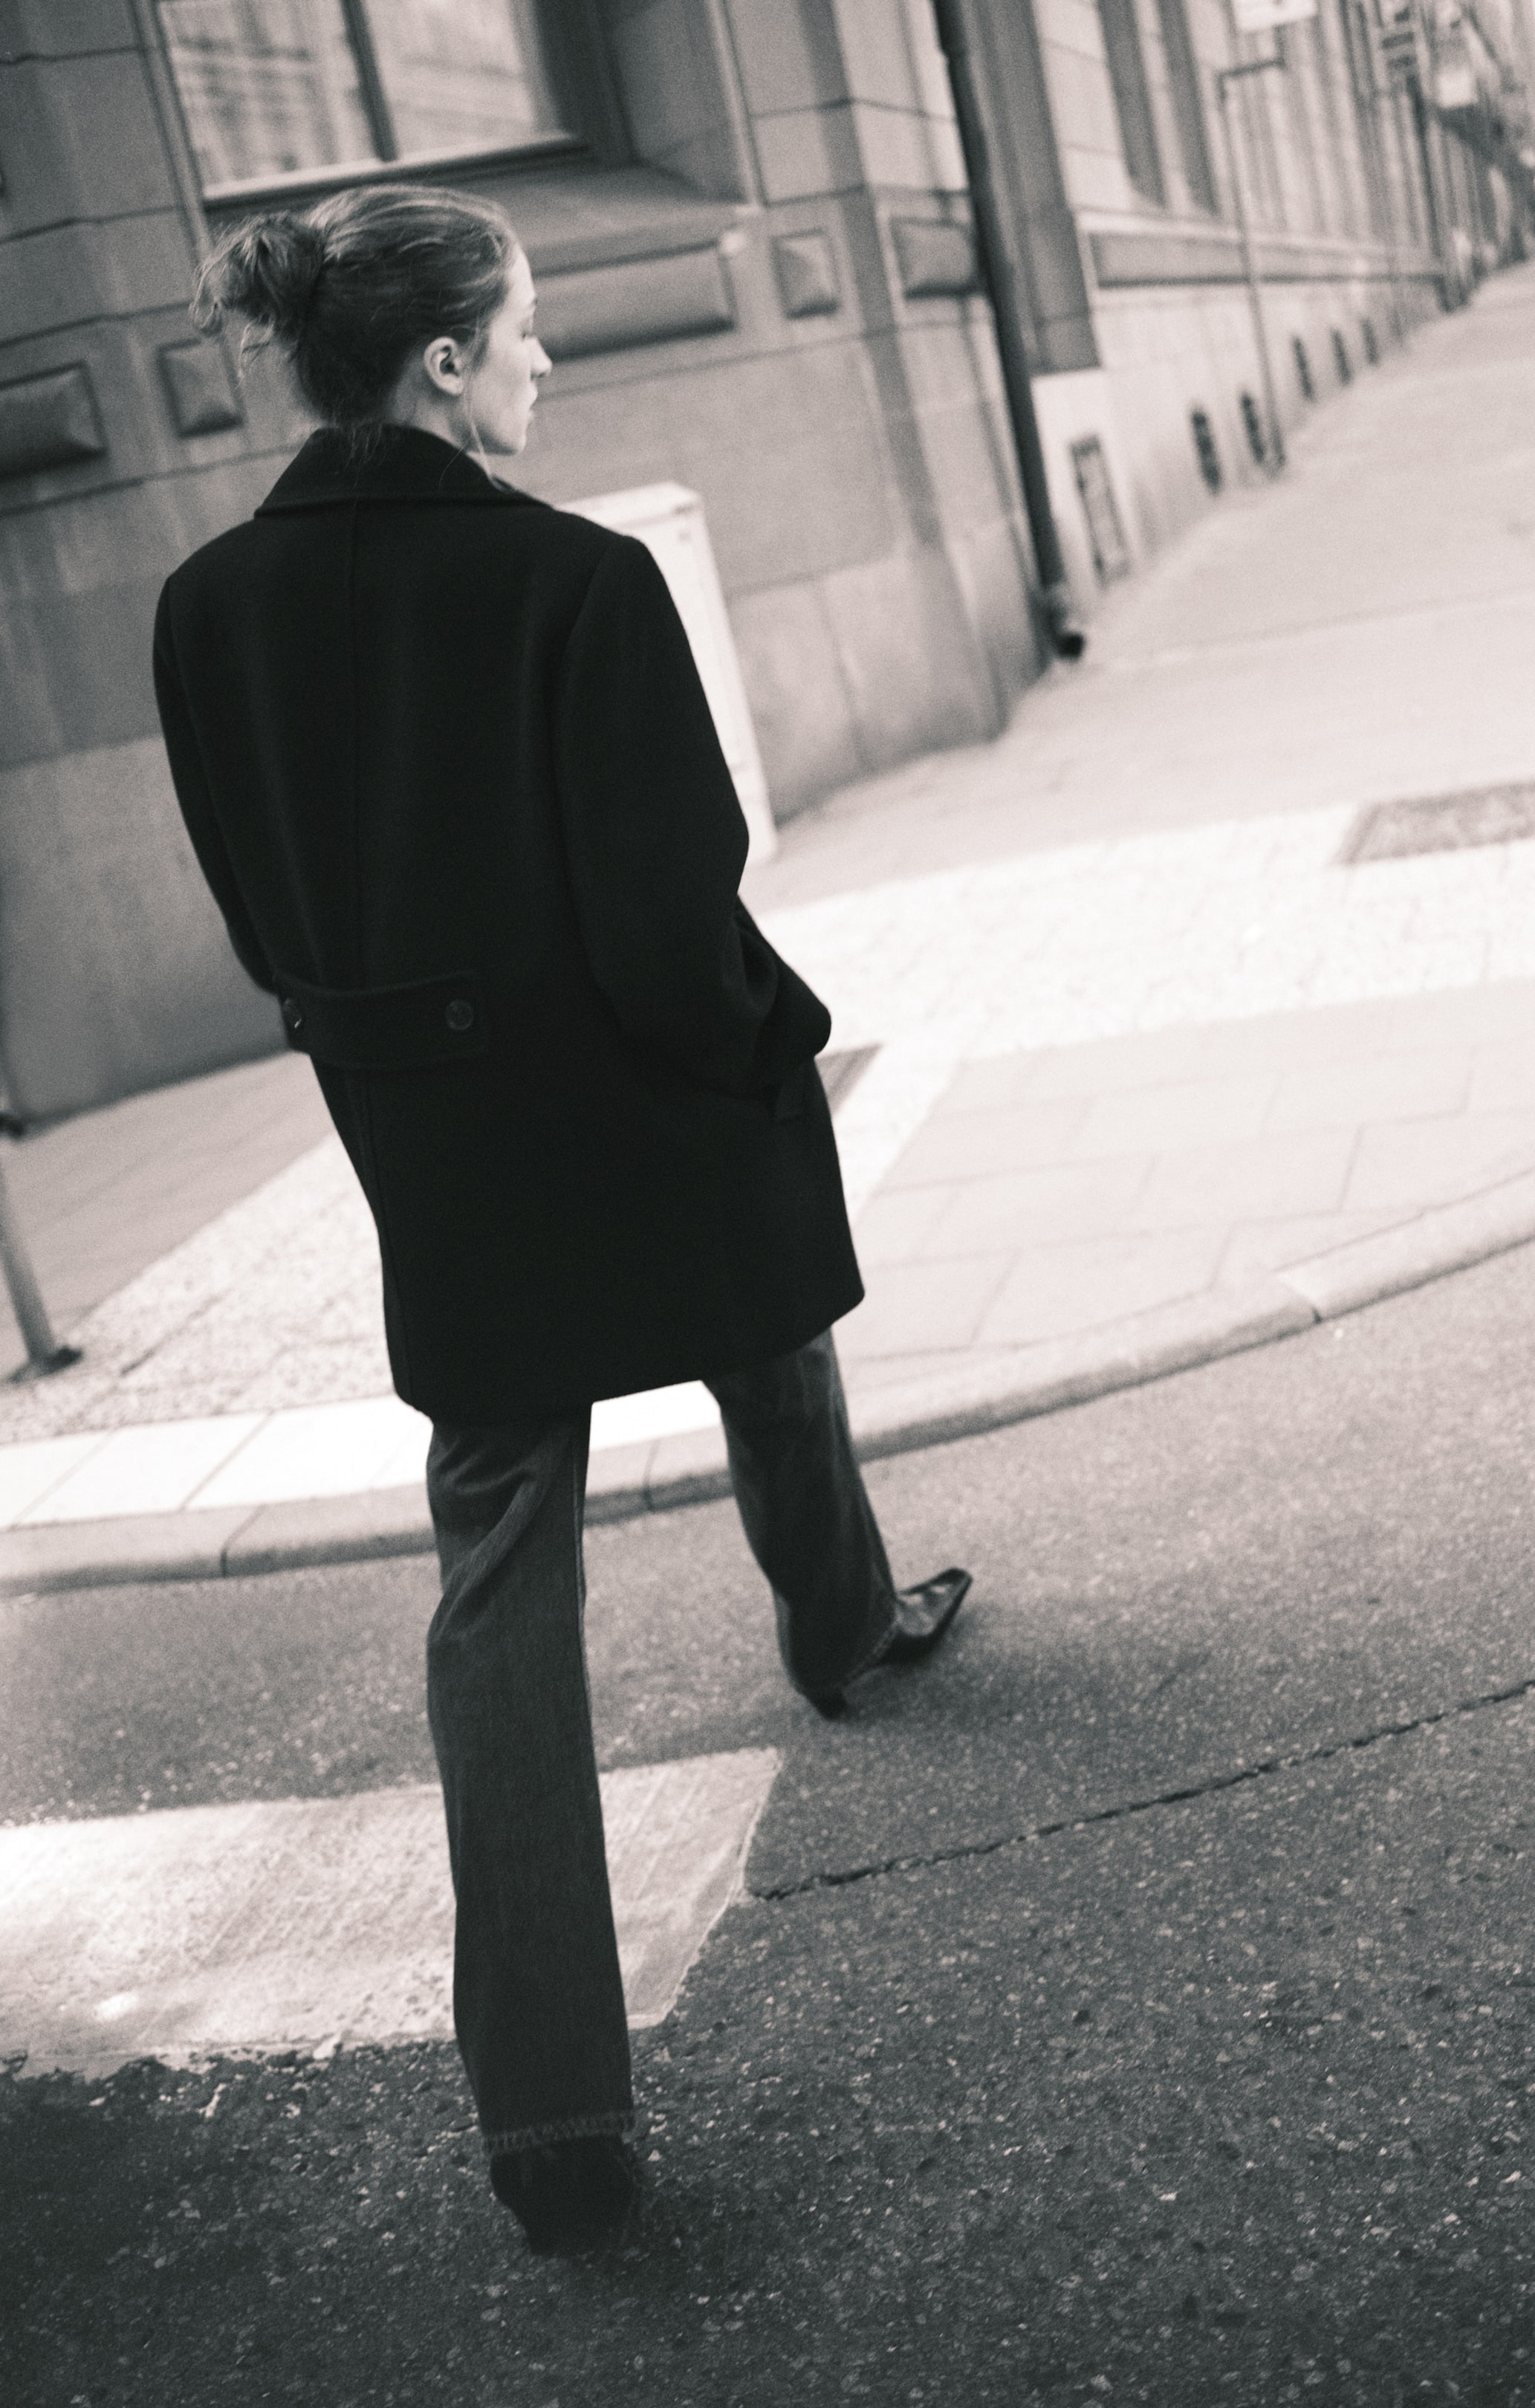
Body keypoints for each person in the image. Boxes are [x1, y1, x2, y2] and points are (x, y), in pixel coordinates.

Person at [151, 184, 971, 2256]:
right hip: (627, 1094)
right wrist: (764, 1036)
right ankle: (843, 1628)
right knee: (763, 1294)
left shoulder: (206, 609)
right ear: (443, 365)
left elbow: (259, 918)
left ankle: (549, 2117)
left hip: (437, 1138)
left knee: (499, 1563)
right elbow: (669, 907)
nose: (547, 359)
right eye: (524, 329)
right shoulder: (581, 581)